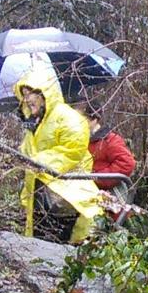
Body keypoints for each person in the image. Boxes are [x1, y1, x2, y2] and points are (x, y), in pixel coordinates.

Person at [13, 55, 103, 244]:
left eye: (30, 94)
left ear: (44, 93)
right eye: (24, 95)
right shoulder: (35, 123)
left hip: (65, 192)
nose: (27, 99)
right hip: (41, 190)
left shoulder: (68, 118)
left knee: (58, 240)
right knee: (39, 239)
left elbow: (73, 149)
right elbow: (29, 152)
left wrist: (39, 161)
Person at [80, 101, 136, 193]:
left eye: (81, 118)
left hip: (106, 190)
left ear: (94, 120)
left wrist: (95, 178)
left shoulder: (110, 140)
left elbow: (126, 163)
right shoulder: (76, 138)